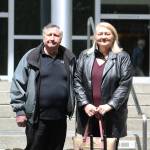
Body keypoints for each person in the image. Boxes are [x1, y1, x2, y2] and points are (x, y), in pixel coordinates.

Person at [10, 23, 76, 150]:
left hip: (60, 118)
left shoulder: (69, 57)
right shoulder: (32, 56)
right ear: (43, 37)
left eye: (56, 35)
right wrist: (19, 110)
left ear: (61, 39)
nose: (52, 38)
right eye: (49, 35)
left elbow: (76, 83)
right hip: (36, 118)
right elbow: (18, 82)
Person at [74, 22, 133, 150]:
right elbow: (77, 81)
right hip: (87, 114)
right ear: (95, 37)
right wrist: (85, 104)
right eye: (100, 34)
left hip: (111, 115)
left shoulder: (122, 57)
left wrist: (109, 105)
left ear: (114, 36)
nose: (103, 37)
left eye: (107, 33)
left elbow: (125, 85)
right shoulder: (85, 56)